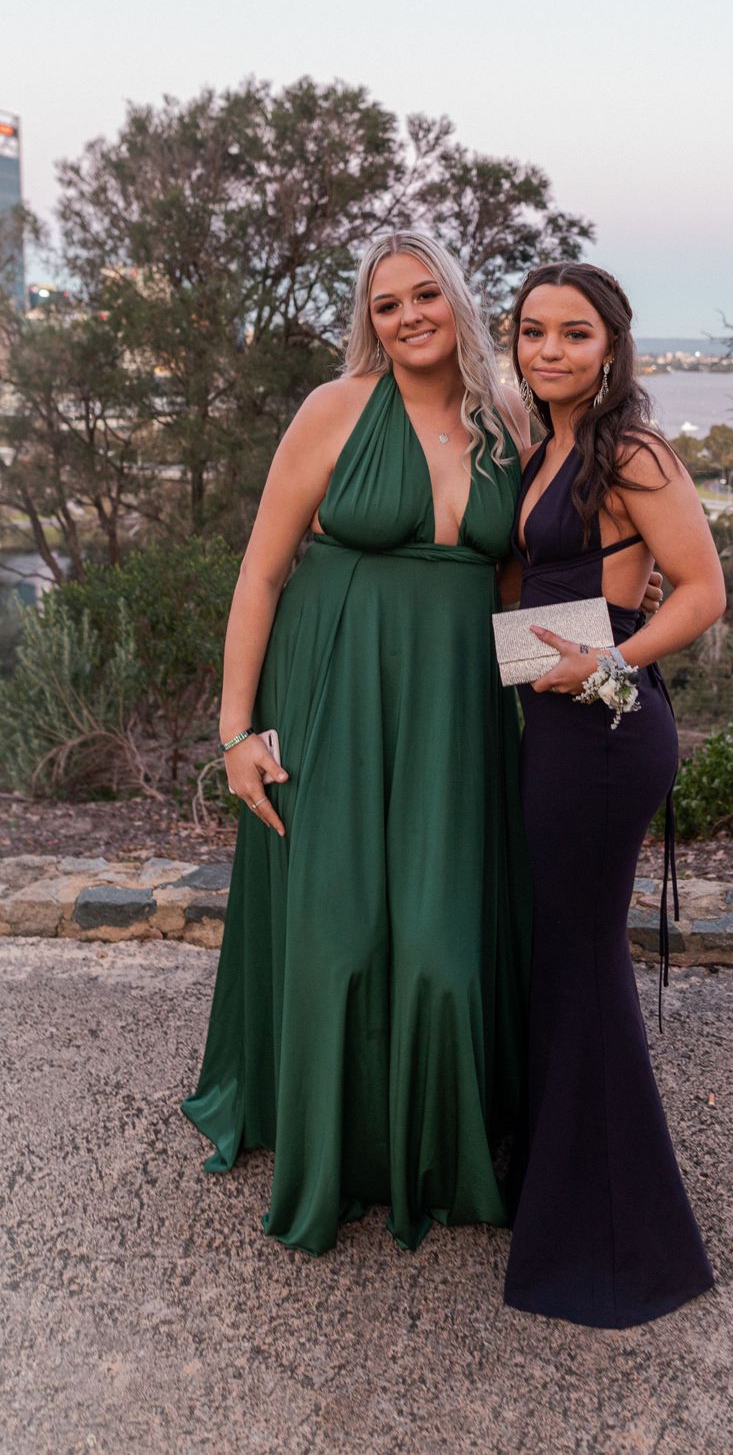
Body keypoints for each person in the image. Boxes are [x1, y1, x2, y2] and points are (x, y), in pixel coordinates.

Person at [181, 231, 536, 1256]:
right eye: (387, 305)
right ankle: (329, 1150)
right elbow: (261, 573)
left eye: (425, 294)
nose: (410, 315)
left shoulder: (509, 420)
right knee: (338, 938)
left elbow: (517, 585)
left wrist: (584, 676)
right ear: (369, 322)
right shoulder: (334, 410)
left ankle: (436, 1157)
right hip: (333, 687)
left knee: (440, 951)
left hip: (455, 707)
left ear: (457, 300)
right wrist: (235, 732)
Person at [502, 261, 726, 1328]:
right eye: (532, 331)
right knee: (561, 957)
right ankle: (555, 1194)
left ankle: (624, 1249)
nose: (549, 350)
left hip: (605, 731)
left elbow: (703, 591)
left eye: (574, 333)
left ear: (612, 347)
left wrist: (606, 665)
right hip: (553, 726)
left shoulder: (631, 451)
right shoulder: (542, 446)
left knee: (585, 964)